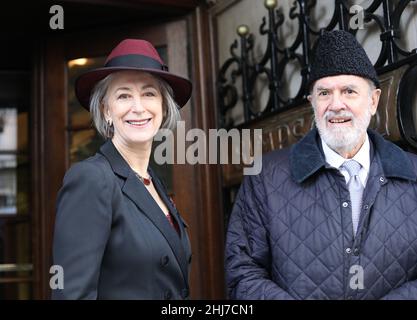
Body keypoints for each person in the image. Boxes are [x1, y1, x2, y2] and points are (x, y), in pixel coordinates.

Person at [225, 30, 417, 299]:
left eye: (349, 91)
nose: (336, 105)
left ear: (373, 100)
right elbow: (243, 273)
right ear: (312, 103)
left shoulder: (413, 174)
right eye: (324, 93)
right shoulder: (265, 177)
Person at [52, 39, 192, 300]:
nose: (138, 107)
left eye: (149, 93)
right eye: (124, 95)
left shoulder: (152, 182)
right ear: (106, 110)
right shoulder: (91, 179)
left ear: (163, 106)